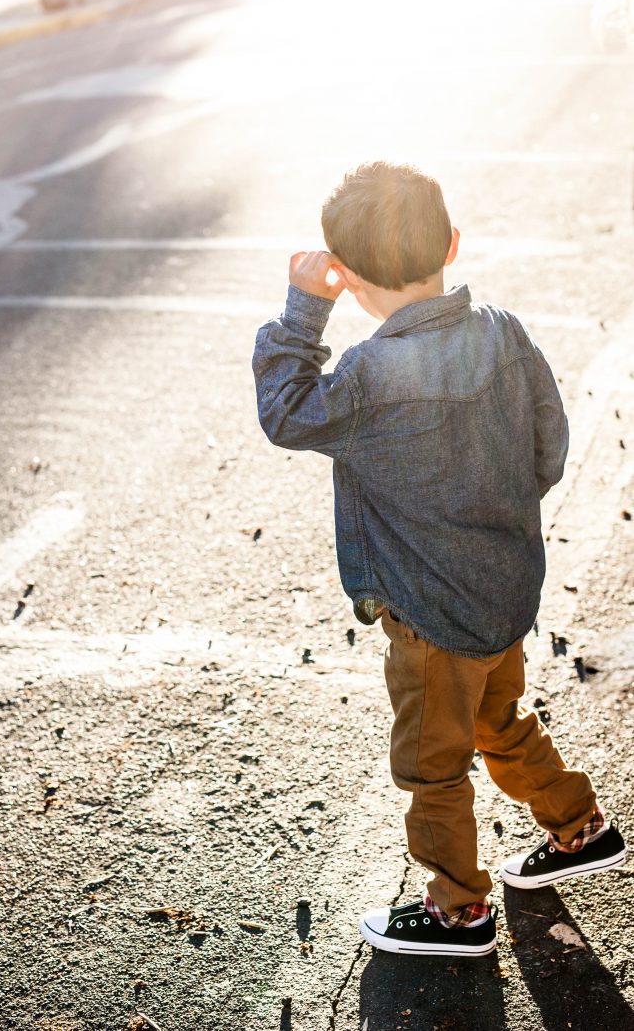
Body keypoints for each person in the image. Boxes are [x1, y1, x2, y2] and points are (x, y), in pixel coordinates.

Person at [252, 161, 627, 957]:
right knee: (499, 720)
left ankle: (459, 907)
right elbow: (549, 447)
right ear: (452, 242)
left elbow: (285, 409)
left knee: (432, 765)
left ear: (349, 282)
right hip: (503, 594)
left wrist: (301, 308)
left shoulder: (365, 379)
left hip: (430, 621)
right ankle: (578, 825)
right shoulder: (502, 330)